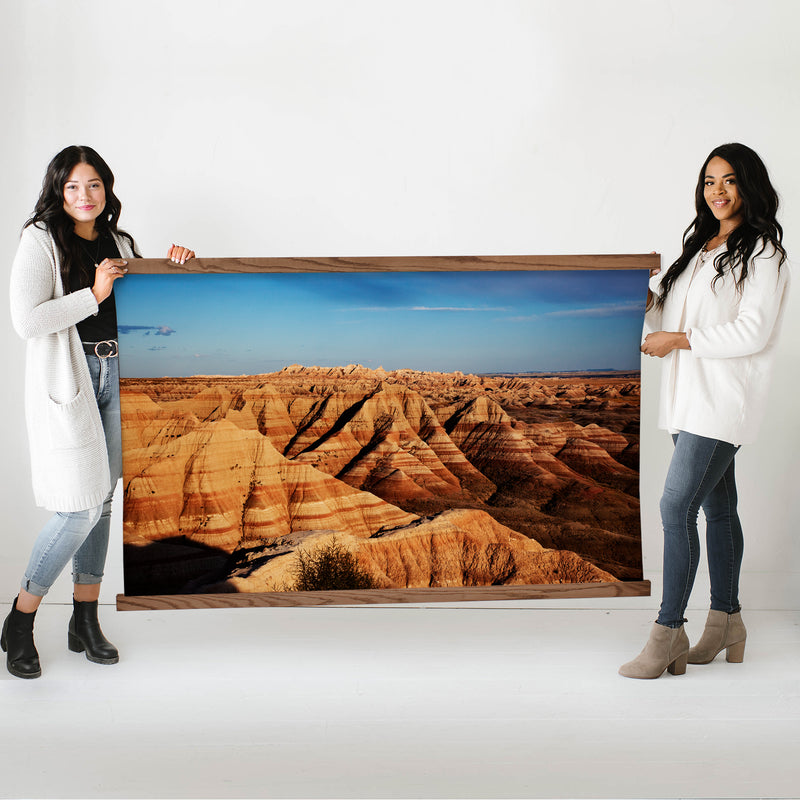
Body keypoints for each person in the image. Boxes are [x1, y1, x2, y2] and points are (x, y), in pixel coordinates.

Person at [2, 145, 195, 679]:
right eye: (72, 187)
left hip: (120, 375)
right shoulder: (40, 241)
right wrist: (93, 292)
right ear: (57, 191)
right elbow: (27, 321)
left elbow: (151, 309)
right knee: (78, 507)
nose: (83, 196)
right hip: (74, 379)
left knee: (105, 502)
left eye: (93, 185)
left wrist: (175, 267)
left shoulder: (121, 243)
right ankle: (21, 620)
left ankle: (84, 620)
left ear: (106, 189)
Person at [619, 143, 791, 679]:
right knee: (718, 509)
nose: (717, 192)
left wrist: (679, 339)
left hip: (723, 401)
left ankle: (668, 632)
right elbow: (664, 318)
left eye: (730, 181)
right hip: (687, 401)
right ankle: (727, 622)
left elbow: (752, 330)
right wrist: (640, 298)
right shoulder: (698, 247)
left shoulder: (763, 252)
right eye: (709, 181)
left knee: (675, 508)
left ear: (750, 186)